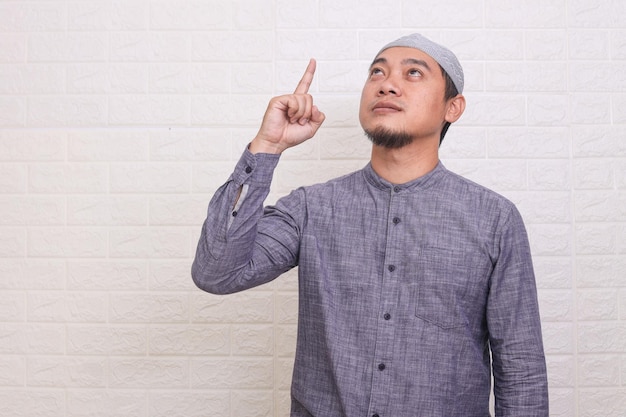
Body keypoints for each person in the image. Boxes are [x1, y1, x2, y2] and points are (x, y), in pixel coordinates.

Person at [192, 33, 549, 417]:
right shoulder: (312, 207)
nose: (387, 83)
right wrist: (266, 147)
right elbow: (216, 273)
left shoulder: (494, 218)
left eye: (413, 73)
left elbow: (521, 368)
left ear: (453, 107)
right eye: (377, 72)